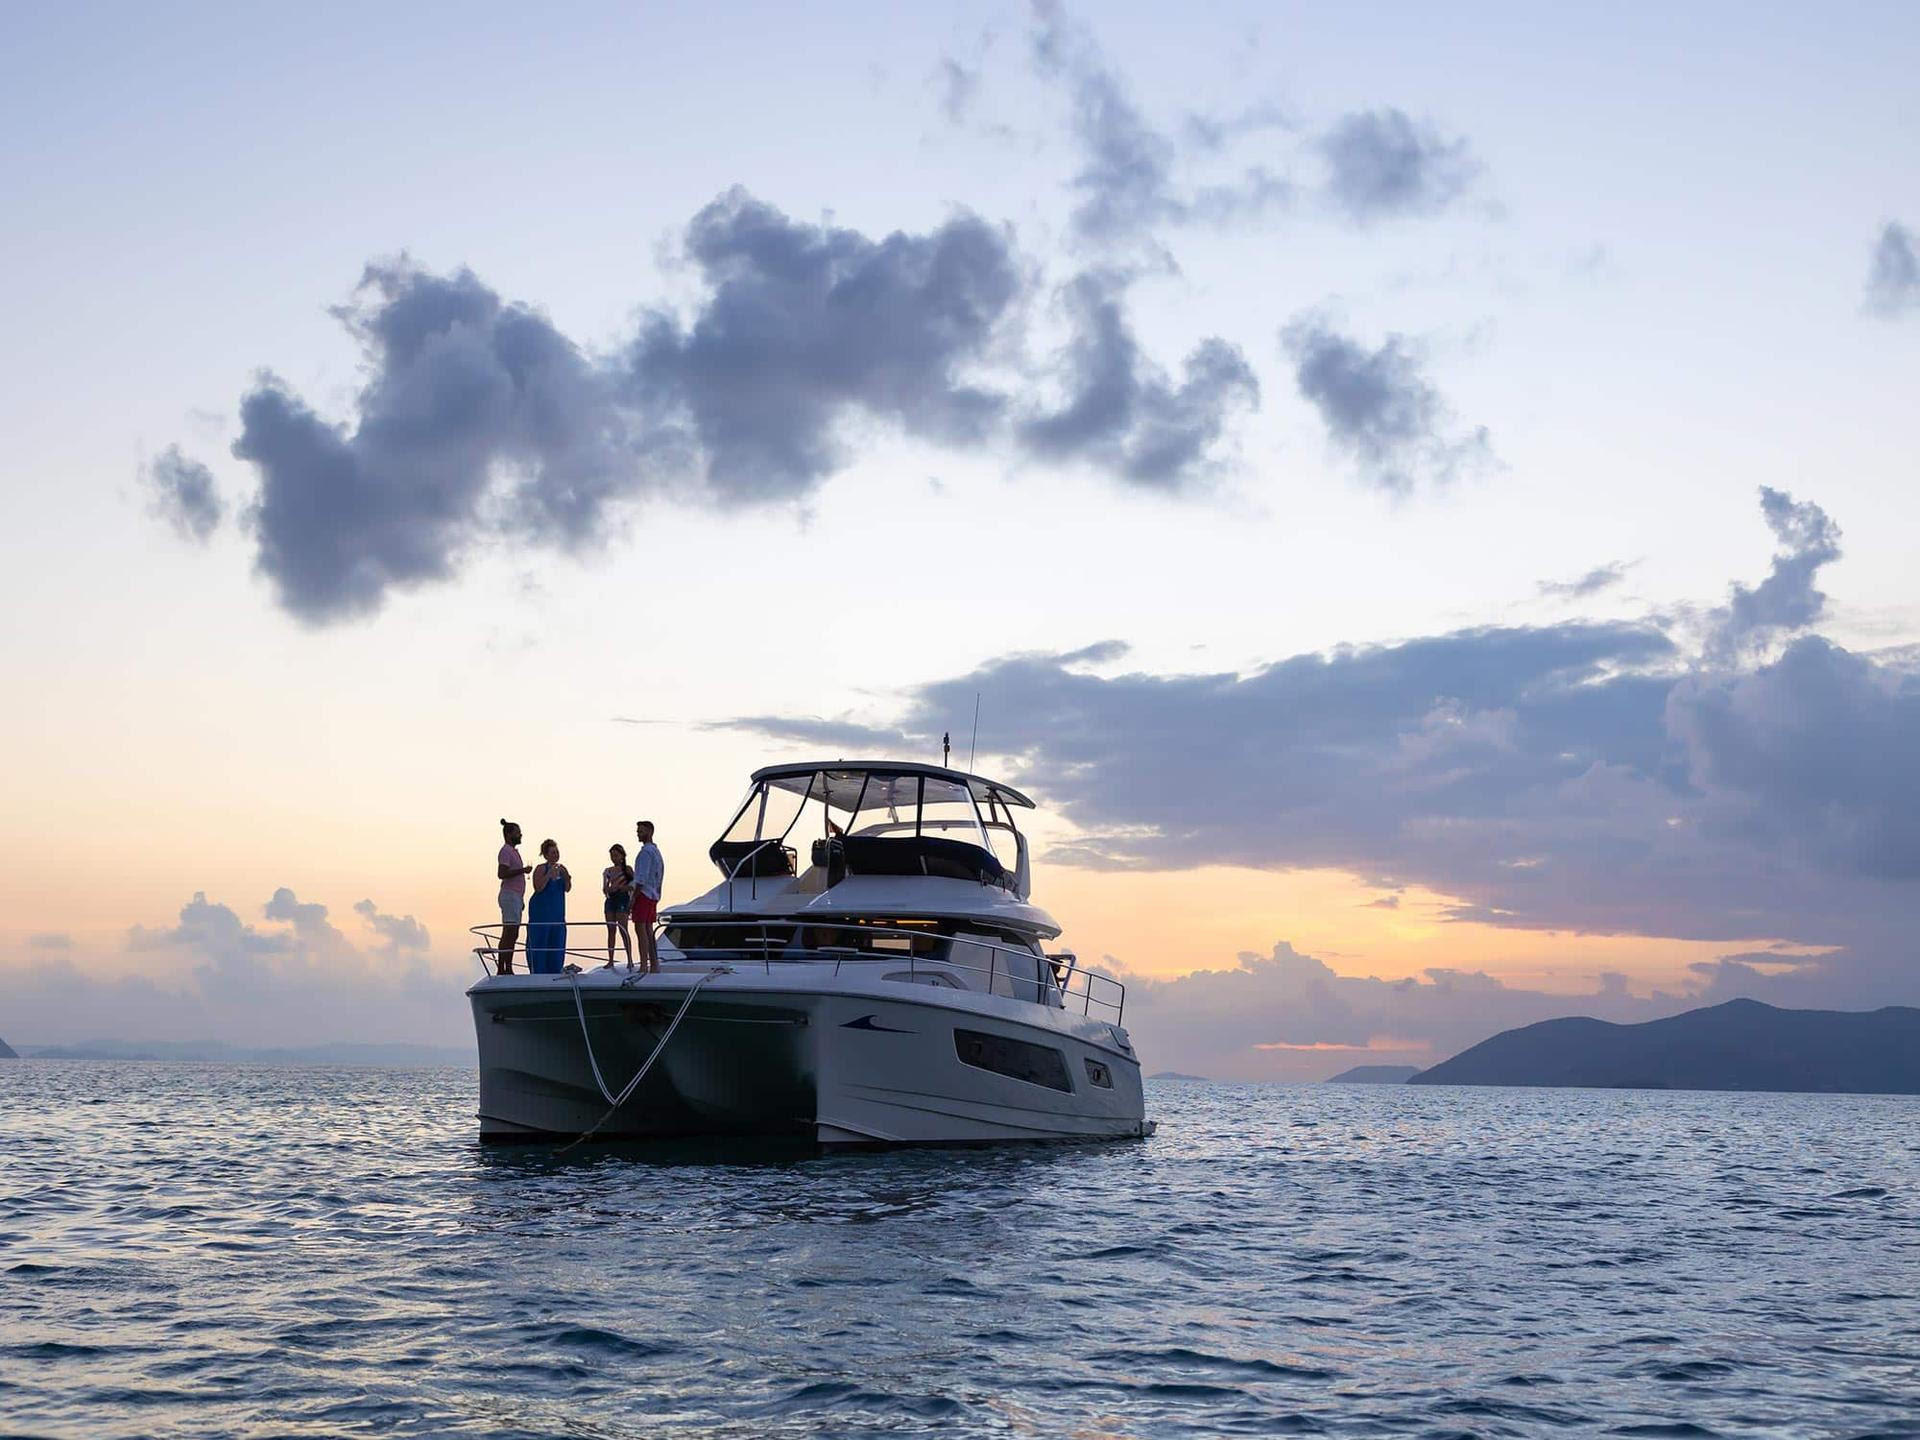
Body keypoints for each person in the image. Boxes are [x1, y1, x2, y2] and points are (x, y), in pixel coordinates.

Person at [526, 839, 571, 975]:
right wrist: (548, 875)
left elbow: (567, 888)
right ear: (545, 855)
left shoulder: (562, 869)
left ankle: (555, 971)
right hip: (541, 915)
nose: (555, 855)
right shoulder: (540, 869)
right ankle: (538, 972)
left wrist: (566, 877)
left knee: (556, 945)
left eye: (557, 852)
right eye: (552, 852)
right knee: (540, 944)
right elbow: (538, 887)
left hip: (557, 915)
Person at [495, 819, 531, 974]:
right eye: (517, 832)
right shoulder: (506, 851)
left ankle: (507, 967)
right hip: (510, 895)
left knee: (513, 933)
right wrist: (522, 870)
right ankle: (503, 967)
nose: (520, 835)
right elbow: (501, 873)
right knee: (509, 932)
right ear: (509, 834)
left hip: (515, 896)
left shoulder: (513, 852)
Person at [631, 820, 665, 976]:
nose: (638, 834)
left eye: (641, 831)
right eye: (638, 831)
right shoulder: (657, 852)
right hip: (653, 894)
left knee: (641, 929)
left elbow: (641, 879)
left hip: (644, 895)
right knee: (648, 929)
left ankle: (644, 964)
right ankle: (654, 964)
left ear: (649, 832)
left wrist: (632, 899)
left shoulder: (646, 852)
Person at [602, 843, 635, 969]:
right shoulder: (608, 871)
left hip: (622, 898)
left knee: (623, 929)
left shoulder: (627, 870)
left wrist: (622, 888)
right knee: (611, 930)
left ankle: (630, 959)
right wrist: (610, 889)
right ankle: (610, 959)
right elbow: (604, 888)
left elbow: (633, 885)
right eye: (612, 856)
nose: (613, 858)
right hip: (611, 899)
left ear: (621, 856)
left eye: (616, 855)